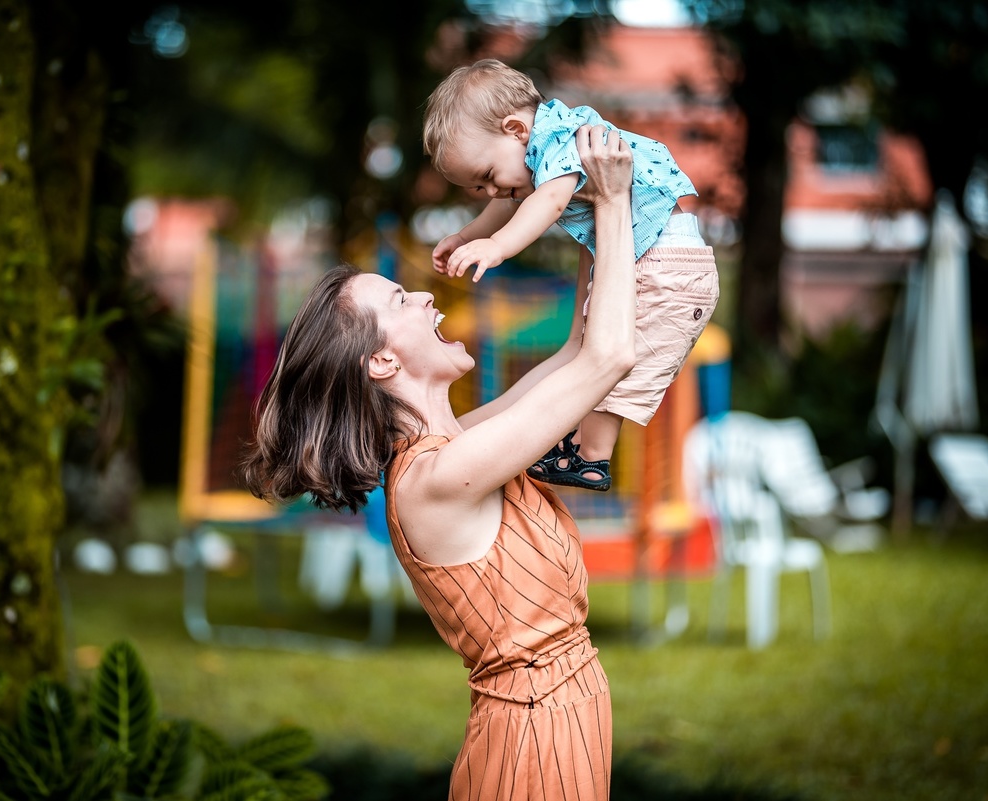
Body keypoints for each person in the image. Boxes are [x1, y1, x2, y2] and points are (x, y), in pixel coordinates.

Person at [242, 126, 634, 801]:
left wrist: (582, 213)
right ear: (381, 361)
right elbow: (609, 357)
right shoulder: (434, 481)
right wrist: (616, 202)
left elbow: (577, 348)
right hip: (533, 749)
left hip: (557, 727)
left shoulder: (458, 448)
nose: (425, 297)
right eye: (401, 300)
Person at [421, 58, 719, 492]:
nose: (491, 191)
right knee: (590, 359)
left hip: (666, 266)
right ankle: (572, 446)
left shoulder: (563, 144)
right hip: (657, 260)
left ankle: (591, 456)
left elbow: (549, 204)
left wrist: (497, 246)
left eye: (487, 176)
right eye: (479, 187)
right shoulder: (538, 151)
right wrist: (466, 235)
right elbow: (509, 202)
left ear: (515, 130)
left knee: (613, 365)